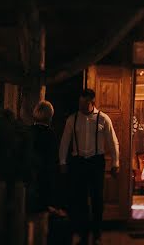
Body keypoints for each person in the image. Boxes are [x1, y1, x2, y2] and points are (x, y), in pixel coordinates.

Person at [58, 88, 120, 245]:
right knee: (80, 199)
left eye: (85, 103)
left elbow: (113, 141)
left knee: (97, 199)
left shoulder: (103, 119)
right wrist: (62, 162)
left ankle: (97, 233)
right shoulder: (72, 119)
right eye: (80, 102)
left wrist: (115, 162)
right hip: (78, 162)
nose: (81, 105)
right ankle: (84, 234)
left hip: (96, 162)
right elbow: (65, 141)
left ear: (92, 102)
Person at [30, 100, 63, 215]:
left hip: (31, 173)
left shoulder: (28, 132)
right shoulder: (50, 134)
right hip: (45, 174)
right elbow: (53, 157)